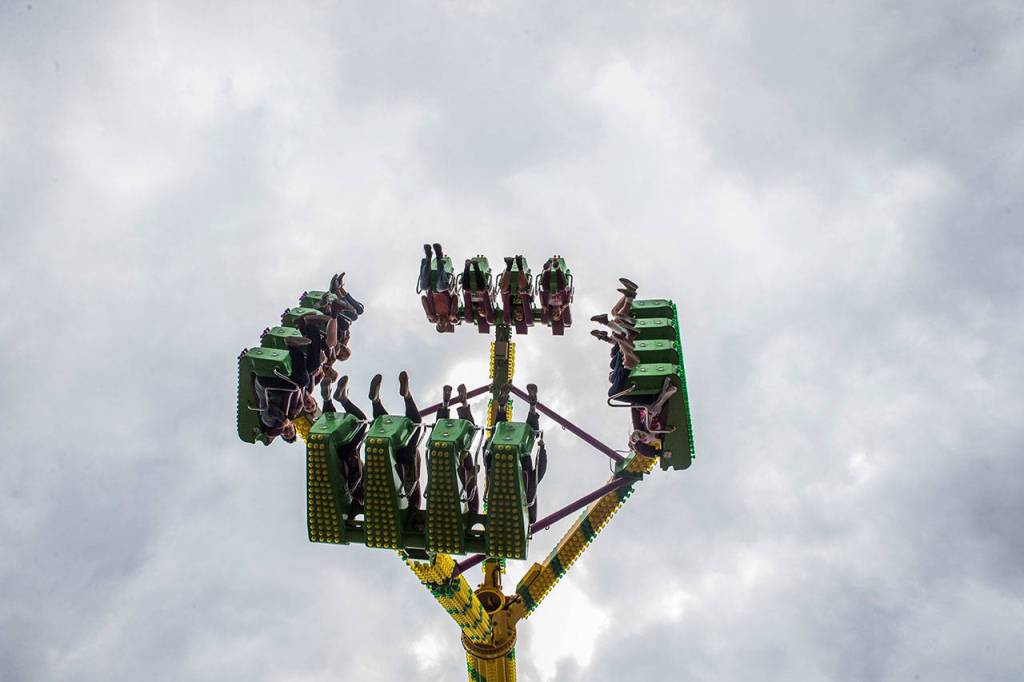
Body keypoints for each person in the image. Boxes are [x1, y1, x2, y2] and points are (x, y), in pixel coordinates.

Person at [368, 371, 424, 509]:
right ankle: (379, 400)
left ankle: (384, 399)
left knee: (415, 423)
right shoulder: (412, 502)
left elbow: (414, 485)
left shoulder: (413, 502)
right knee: (386, 430)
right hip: (397, 459)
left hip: (402, 461)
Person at [319, 375, 369, 506]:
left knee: (362, 423)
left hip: (345, 457)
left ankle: (340, 399)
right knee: (331, 428)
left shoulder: (354, 493)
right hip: (342, 455)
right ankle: (328, 399)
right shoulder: (362, 489)